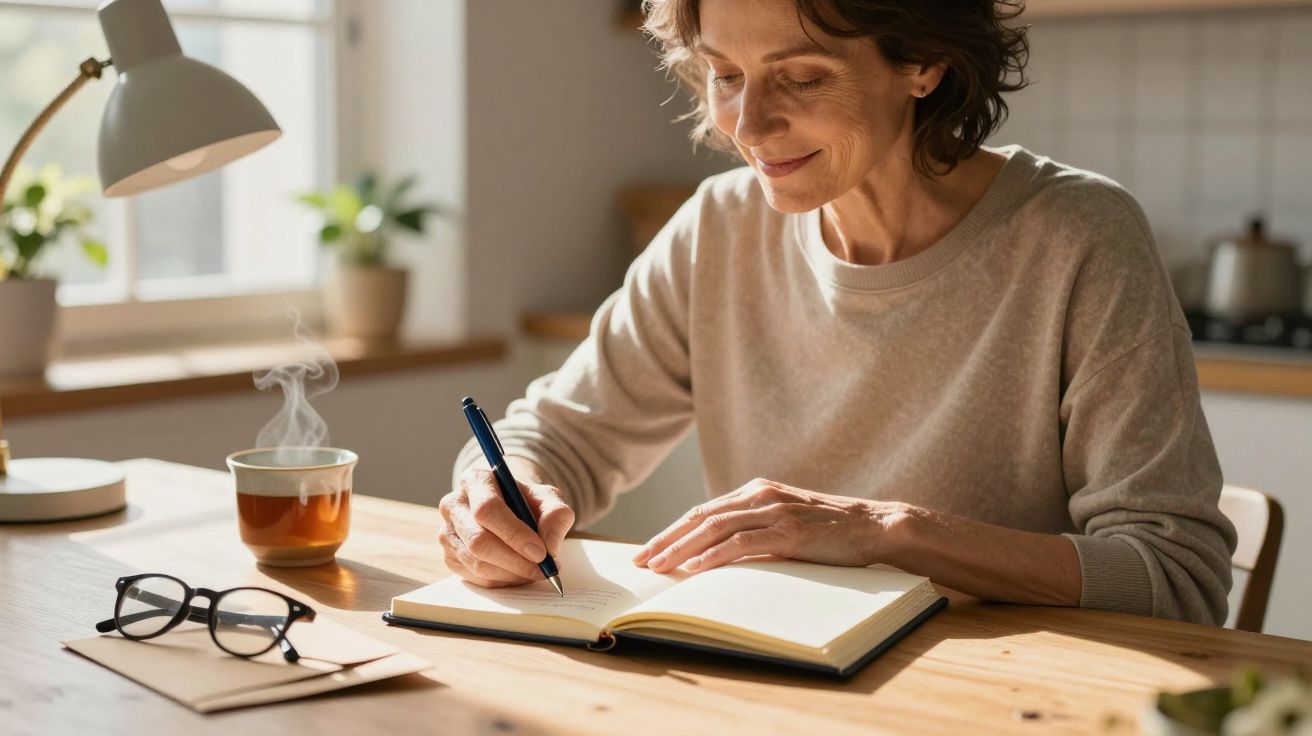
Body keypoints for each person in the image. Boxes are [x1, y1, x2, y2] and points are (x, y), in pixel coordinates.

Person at [438, 0, 1236, 625]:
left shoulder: (1080, 238)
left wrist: (887, 533)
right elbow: (556, 436)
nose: (748, 125)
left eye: (802, 78)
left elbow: (1174, 578)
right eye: (725, 74)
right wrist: (499, 493)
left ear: (924, 60)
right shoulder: (719, 227)